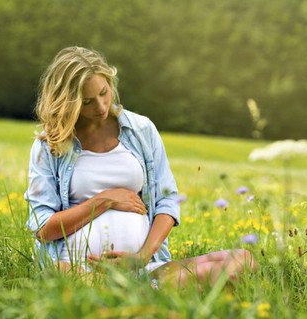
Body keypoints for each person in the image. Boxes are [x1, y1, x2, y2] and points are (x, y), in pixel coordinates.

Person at [25, 46, 257, 289]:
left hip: (144, 267)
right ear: (68, 102)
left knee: (244, 260)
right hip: (73, 266)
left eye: (104, 92)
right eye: (87, 102)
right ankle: (140, 292)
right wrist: (104, 201)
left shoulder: (141, 130)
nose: (102, 107)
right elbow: (43, 229)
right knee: (67, 275)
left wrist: (142, 256)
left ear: (110, 82)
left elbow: (167, 202)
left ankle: (139, 290)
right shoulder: (50, 144)